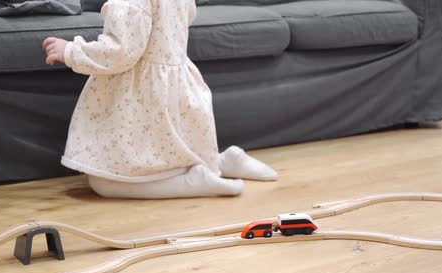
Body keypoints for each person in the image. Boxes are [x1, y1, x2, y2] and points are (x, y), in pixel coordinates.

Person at [43, 0, 278, 199]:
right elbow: (188, 16)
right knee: (172, 156)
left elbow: (121, 52)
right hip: (177, 86)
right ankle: (222, 161)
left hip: (141, 98)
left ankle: (195, 181)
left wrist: (72, 51)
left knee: (103, 183)